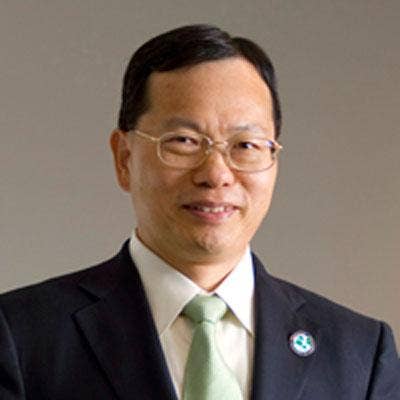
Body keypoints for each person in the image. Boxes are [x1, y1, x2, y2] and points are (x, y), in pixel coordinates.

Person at [0, 24, 399, 400]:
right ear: (124, 158)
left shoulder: (360, 354)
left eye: (246, 145)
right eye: (184, 141)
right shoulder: (21, 337)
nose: (216, 174)